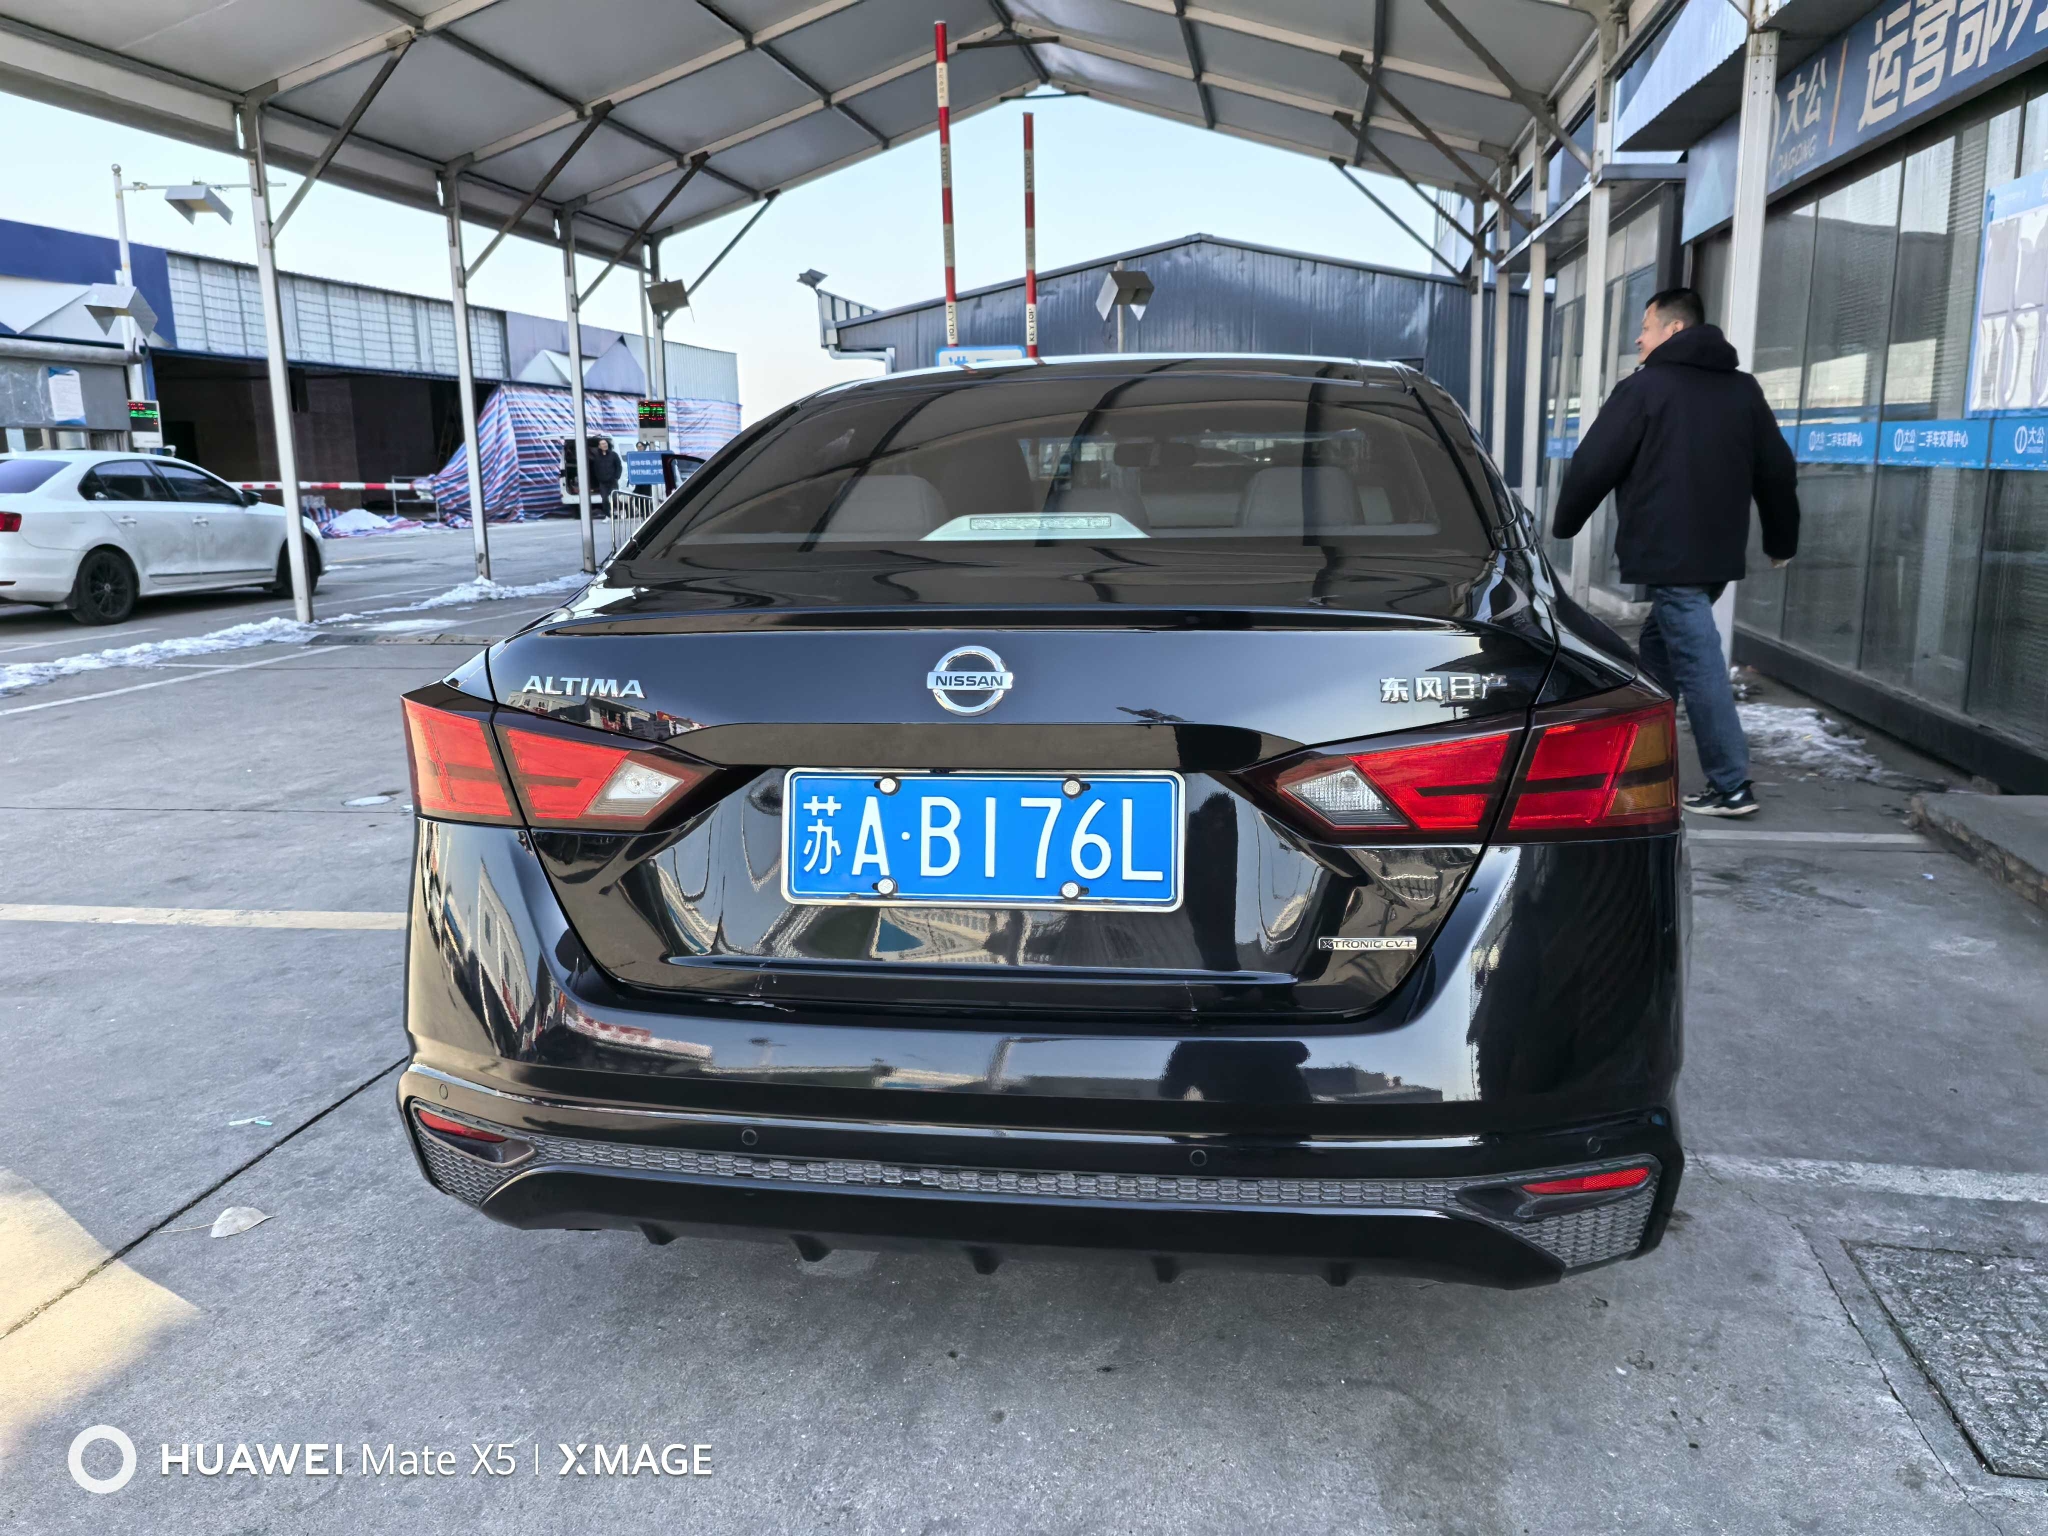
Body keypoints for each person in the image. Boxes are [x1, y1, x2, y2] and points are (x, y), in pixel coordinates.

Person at [1551, 287, 1799, 818]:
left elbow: (1594, 462)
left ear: (1674, 329)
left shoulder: (1645, 388)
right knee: (1660, 650)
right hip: (1716, 557)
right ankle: (1640, 761)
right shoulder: (1742, 391)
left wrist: (1564, 524)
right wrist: (1782, 541)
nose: (1638, 338)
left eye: (1645, 327)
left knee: (1699, 661)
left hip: (1668, 554)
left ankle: (1731, 785)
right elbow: (1776, 470)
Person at [589, 435, 623, 514]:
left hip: (613, 481)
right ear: (599, 446)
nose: (605, 445)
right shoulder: (597, 457)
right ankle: (608, 515)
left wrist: (617, 477)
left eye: (605, 443)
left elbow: (619, 466)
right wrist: (599, 478)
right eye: (603, 444)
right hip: (603, 482)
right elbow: (595, 469)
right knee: (604, 499)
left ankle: (621, 510)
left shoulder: (613, 455)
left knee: (614, 498)